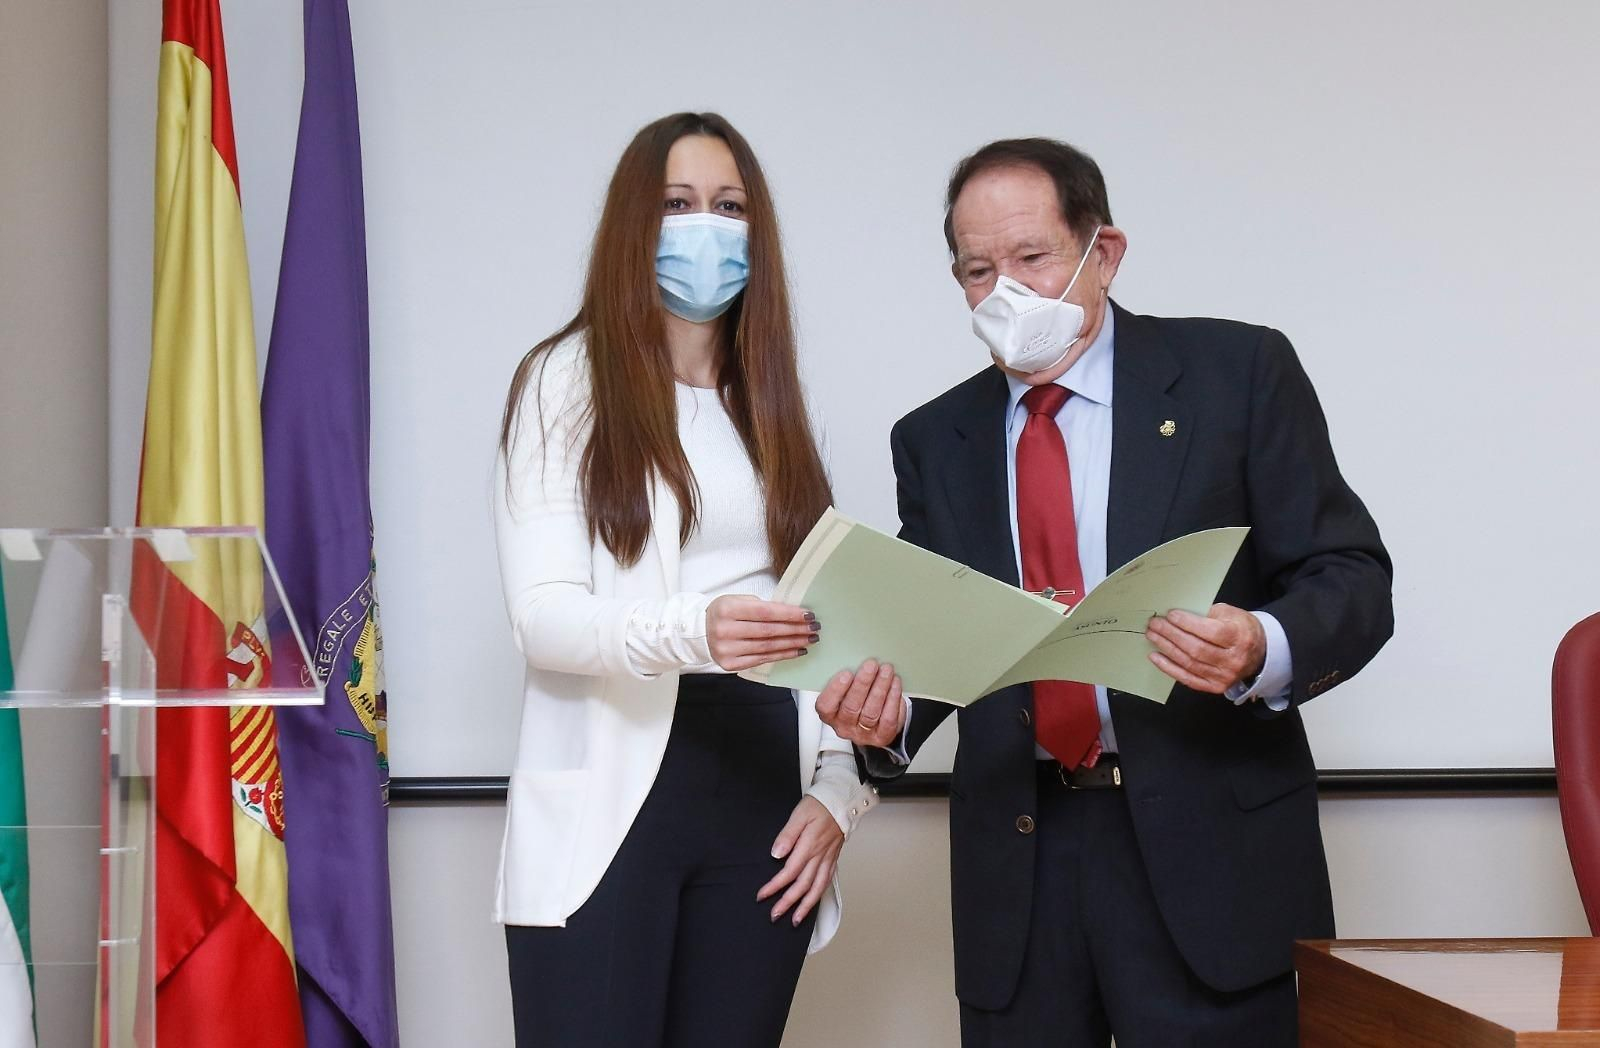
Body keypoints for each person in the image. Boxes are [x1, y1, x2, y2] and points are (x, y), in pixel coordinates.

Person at [817, 138, 1393, 1047]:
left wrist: (1261, 645)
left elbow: (1352, 577)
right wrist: (880, 722)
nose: (1005, 290)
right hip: (1021, 863)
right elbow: (943, 643)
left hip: (1212, 854)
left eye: (1031, 258)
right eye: (977, 270)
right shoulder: (936, 438)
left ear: (1105, 252)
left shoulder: (1235, 376)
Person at [492, 111, 877, 1048]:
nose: (705, 226)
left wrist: (838, 792)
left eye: (729, 206)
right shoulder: (565, 379)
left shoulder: (770, 404)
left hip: (758, 788)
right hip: (614, 801)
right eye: (677, 203)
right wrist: (697, 629)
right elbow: (544, 621)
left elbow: (832, 626)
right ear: (635, 223)